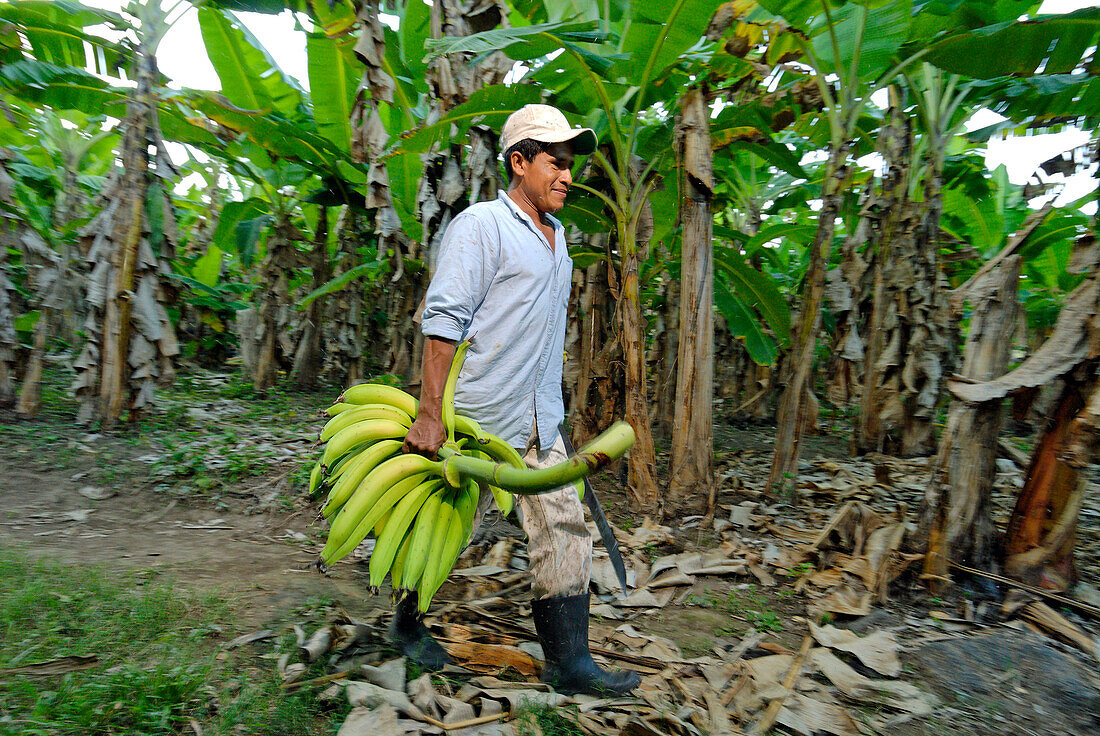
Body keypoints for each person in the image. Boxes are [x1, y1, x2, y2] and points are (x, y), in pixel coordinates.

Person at [393, 104, 640, 697]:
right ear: (519, 162)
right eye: (555, 163)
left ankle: (569, 663)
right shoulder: (482, 226)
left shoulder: (560, 245)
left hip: (538, 420)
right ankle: (405, 622)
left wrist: (553, 412)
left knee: (563, 525)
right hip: (476, 415)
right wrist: (430, 414)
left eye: (571, 165)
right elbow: (443, 321)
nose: (567, 175)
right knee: (445, 529)